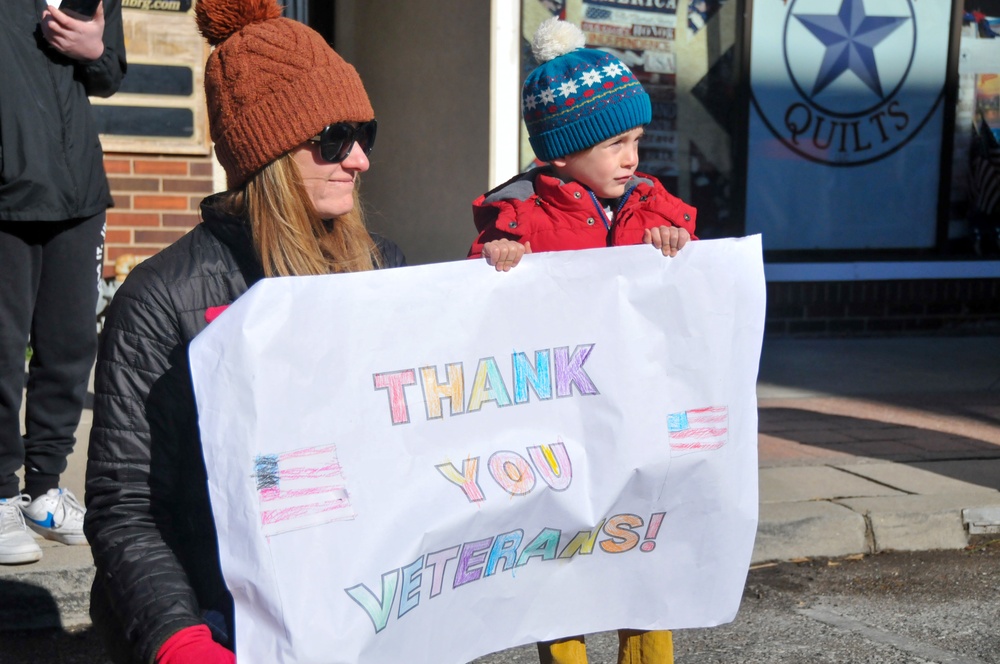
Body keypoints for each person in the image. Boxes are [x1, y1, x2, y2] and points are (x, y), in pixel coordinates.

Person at [83, 0, 405, 661]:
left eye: (365, 135)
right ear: (272, 151)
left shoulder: (383, 268)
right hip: (217, 618)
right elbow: (126, 504)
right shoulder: (161, 298)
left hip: (357, 614)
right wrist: (179, 640)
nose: (359, 161)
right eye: (334, 138)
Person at [467, 17, 697, 664]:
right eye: (616, 143)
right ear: (561, 153)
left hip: (634, 416)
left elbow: (692, 291)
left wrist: (675, 249)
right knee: (561, 557)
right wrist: (498, 253)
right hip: (558, 423)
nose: (633, 157)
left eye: (637, 140)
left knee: (639, 552)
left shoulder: (653, 207)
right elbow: (479, 290)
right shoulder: (520, 215)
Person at [0, 0, 126, 565]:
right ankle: (0, 493)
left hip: (77, 191)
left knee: (71, 346)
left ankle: (41, 489)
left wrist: (95, 49)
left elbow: (109, 73)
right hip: (8, 193)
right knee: (2, 351)